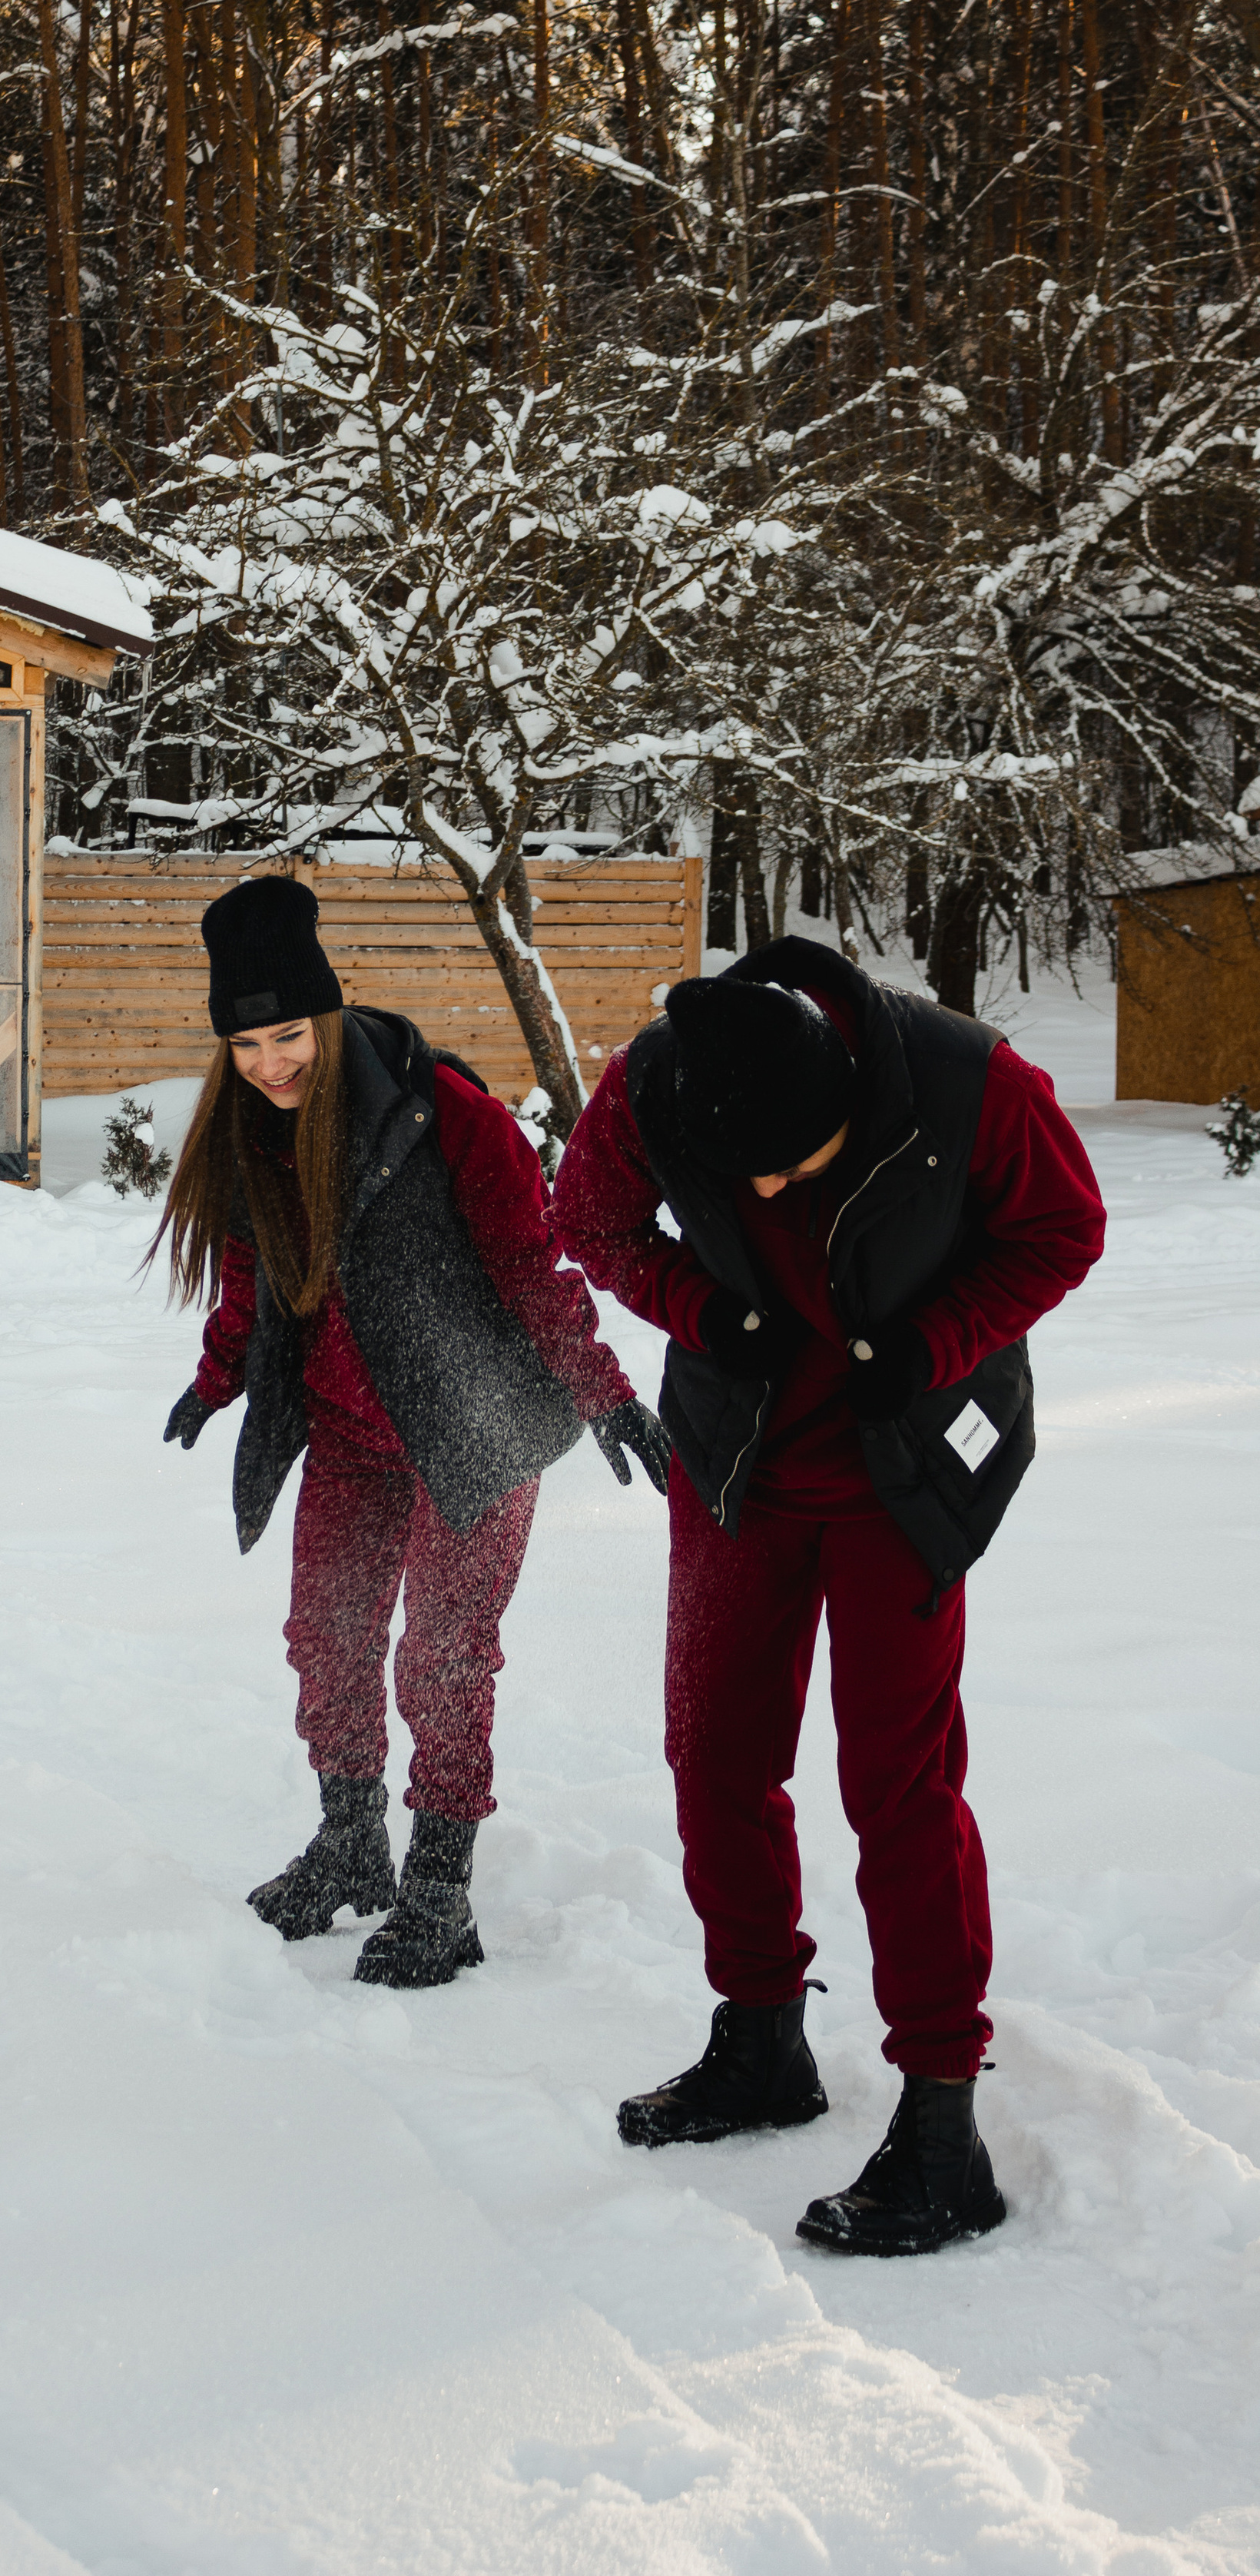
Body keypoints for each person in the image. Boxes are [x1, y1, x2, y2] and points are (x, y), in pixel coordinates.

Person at [552, 935, 1106, 2256]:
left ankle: (943, 2122)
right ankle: (760, 2041)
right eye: (737, 1174)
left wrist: (933, 1343)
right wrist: (702, 1309)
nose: (761, 1191)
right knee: (715, 1751)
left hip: (901, 1466)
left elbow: (1063, 1229)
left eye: (790, 1166)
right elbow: (591, 1220)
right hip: (737, 1462)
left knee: (897, 1783)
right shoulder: (658, 1082)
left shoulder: (967, 1082)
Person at [158, 874, 670, 1990]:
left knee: (443, 1653)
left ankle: (441, 1883)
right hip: (352, 1431)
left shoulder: (445, 1114)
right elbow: (253, 1267)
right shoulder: (256, 1132)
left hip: (474, 1427)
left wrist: (603, 1390)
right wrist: (217, 1377)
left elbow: (533, 1266)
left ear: (328, 1014)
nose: (270, 1065)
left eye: (288, 1036)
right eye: (245, 1045)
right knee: (326, 1635)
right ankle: (352, 1843)